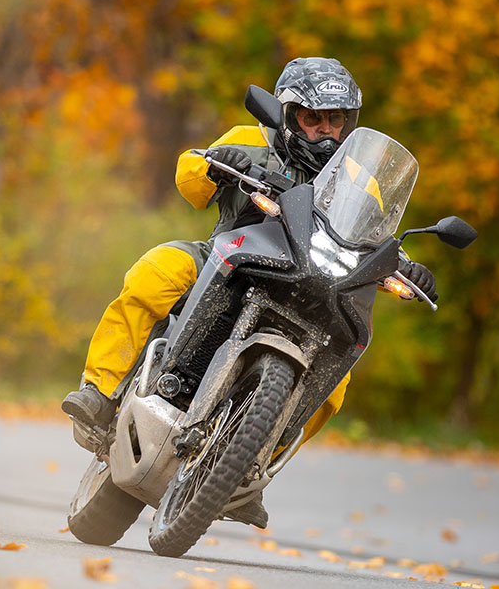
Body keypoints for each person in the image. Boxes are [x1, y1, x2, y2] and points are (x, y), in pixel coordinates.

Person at [62, 58, 437, 523]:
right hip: (227, 259)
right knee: (155, 272)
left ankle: (251, 460)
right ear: (286, 114)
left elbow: (376, 237)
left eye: (335, 119)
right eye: (312, 118)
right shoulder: (249, 138)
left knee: (336, 386)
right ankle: (100, 389)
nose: (325, 130)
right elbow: (190, 175)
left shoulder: (362, 181)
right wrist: (217, 166)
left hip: (312, 289)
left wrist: (405, 266)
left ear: (349, 122)